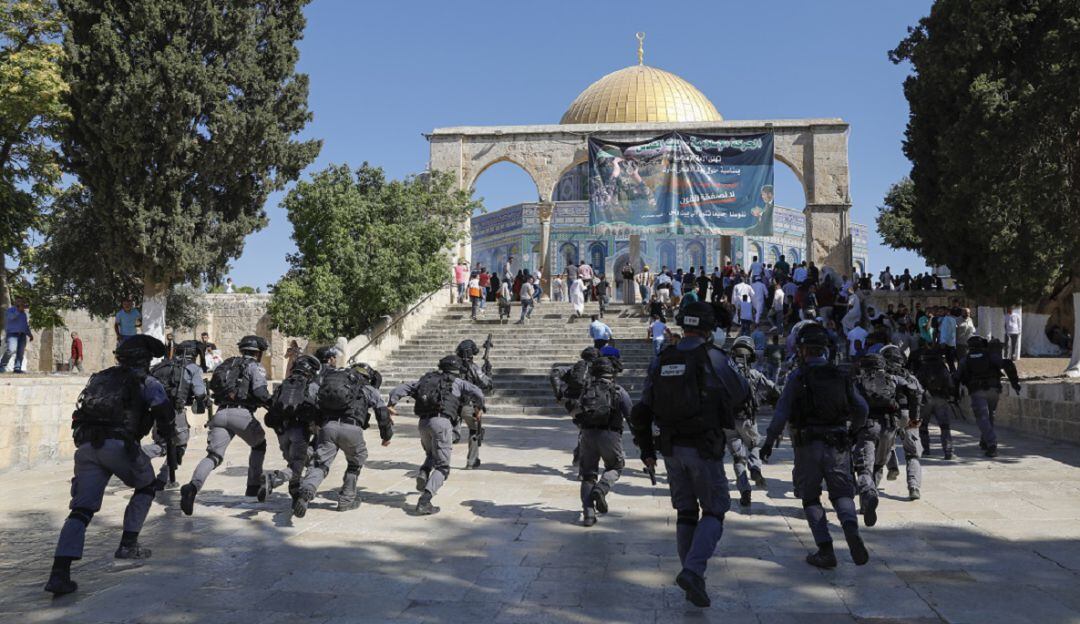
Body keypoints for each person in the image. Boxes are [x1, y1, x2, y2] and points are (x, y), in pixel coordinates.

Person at [630, 301, 751, 607]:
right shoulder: (714, 356)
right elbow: (741, 393)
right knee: (714, 510)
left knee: (686, 513)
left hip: (671, 448)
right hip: (704, 447)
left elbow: (643, 407)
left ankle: (691, 577)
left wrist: (646, 450)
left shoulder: (663, 358)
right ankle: (693, 572)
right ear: (709, 329)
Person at [44, 335, 174, 595]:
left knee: (81, 509)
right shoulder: (147, 382)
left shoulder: (100, 378)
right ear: (145, 359)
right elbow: (165, 415)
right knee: (147, 485)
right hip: (120, 445)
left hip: (87, 446)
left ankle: (59, 572)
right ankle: (128, 544)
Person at [760, 324, 870, 569]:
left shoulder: (797, 377)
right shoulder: (841, 375)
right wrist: (853, 431)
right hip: (838, 444)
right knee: (842, 493)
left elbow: (781, 412)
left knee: (810, 498)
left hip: (807, 446)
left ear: (803, 350)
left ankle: (825, 551)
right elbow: (862, 408)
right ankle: (850, 528)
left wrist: (769, 442)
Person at [180, 335, 272, 515]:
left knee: (214, 455)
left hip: (220, 414)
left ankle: (192, 487)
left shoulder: (227, 364)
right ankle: (253, 487)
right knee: (259, 445)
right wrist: (273, 405)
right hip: (242, 414)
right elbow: (260, 392)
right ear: (258, 352)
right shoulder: (255, 367)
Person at [387, 355, 485, 515]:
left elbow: (400, 389)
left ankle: (424, 472)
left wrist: (391, 404)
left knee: (431, 453)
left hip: (423, 424)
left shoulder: (426, 380)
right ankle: (424, 502)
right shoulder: (458, 382)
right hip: (442, 423)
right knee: (443, 467)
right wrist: (479, 408)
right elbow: (478, 392)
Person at [293, 361, 393, 516]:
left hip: (328, 428)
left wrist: (315, 424)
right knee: (355, 462)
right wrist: (386, 436)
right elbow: (382, 413)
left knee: (320, 464)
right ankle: (346, 500)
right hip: (352, 429)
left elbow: (312, 398)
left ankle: (307, 490)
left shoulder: (333, 381)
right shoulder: (368, 389)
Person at [574, 357, 632, 527]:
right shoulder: (618, 391)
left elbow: (577, 411)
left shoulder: (586, 390)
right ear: (612, 372)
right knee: (616, 466)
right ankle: (602, 489)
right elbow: (631, 416)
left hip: (587, 435)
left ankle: (589, 514)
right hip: (610, 435)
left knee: (588, 475)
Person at [259, 354, 322, 506]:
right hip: (300, 431)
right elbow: (318, 408)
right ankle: (273, 479)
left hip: (282, 431)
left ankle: (295, 496)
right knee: (298, 465)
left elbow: (273, 404)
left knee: (293, 464)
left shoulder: (284, 384)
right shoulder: (312, 386)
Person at [144, 340, 207, 489]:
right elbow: (199, 392)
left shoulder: (161, 366)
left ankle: (164, 477)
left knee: (162, 443)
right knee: (178, 445)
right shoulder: (192, 368)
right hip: (175, 411)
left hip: (156, 411)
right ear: (193, 354)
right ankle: (143, 460)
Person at [728, 336, 780, 506]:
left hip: (728, 423)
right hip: (748, 420)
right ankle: (755, 468)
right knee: (754, 446)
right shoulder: (755, 374)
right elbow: (774, 390)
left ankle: (744, 489)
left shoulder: (725, 374)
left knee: (738, 458)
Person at [956, 336, 1020, 457]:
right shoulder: (990, 355)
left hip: (977, 392)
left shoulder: (965, 359)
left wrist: (954, 394)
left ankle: (992, 444)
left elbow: (957, 377)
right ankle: (984, 441)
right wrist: (1015, 383)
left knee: (982, 418)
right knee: (989, 416)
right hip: (994, 391)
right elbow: (1007, 363)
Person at [880, 345, 925, 500]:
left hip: (889, 416)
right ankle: (914, 487)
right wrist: (915, 418)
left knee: (887, 445)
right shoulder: (909, 377)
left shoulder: (882, 376)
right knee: (912, 454)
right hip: (909, 416)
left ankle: (892, 468)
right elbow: (919, 394)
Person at [911, 340, 957, 460]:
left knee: (923, 426)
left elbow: (916, 385)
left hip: (926, 400)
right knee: (945, 426)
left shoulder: (923, 368)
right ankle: (948, 451)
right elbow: (950, 384)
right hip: (941, 399)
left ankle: (926, 450)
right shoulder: (942, 368)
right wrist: (952, 396)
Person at [455, 339, 493, 469]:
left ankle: (454, 433)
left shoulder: (452, 366)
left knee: (448, 433)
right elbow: (487, 384)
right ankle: (471, 461)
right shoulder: (474, 368)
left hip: (451, 405)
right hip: (469, 405)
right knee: (474, 431)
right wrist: (488, 372)